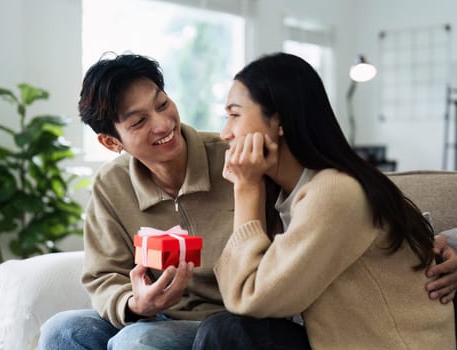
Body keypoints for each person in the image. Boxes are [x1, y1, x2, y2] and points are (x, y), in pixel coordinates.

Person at [38, 53, 457, 349]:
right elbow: (101, 277)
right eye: (139, 121)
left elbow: (369, 200)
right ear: (112, 142)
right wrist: (134, 302)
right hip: (159, 314)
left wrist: (449, 244)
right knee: (63, 331)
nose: (165, 123)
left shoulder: (248, 166)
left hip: (233, 320)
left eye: (163, 104)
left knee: (140, 342)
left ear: (279, 122)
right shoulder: (112, 186)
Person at [194, 52, 456, 349]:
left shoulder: (336, 193)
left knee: (226, 330)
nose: (225, 132)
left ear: (279, 119)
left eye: (234, 114)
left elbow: (249, 297)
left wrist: (246, 188)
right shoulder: (288, 197)